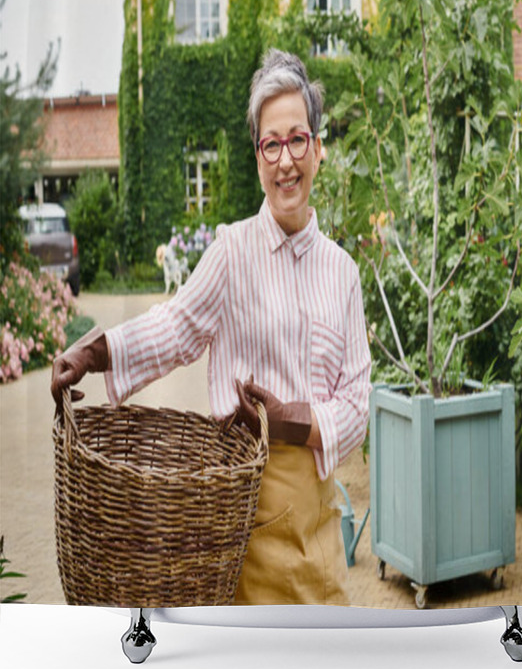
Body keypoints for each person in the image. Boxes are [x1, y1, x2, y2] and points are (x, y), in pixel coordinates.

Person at [51, 50, 372, 606]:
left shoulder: (342, 272)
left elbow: (357, 403)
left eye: (297, 139)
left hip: (321, 531)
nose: (285, 161)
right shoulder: (233, 252)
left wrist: (293, 419)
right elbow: (175, 327)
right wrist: (94, 352)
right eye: (270, 144)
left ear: (319, 150)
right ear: (257, 158)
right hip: (250, 521)